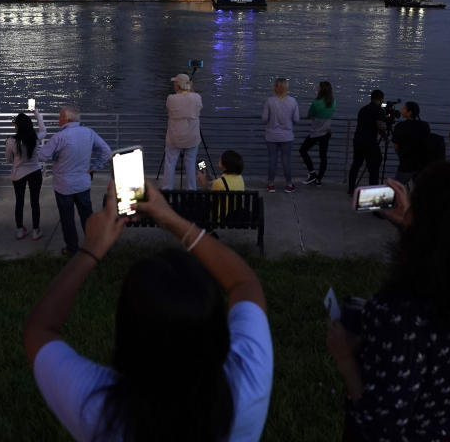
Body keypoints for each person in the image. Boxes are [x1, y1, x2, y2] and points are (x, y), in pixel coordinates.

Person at [24, 181, 273, 441]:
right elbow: (244, 283)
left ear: (125, 338)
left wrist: (91, 249)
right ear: (219, 333)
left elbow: (38, 329)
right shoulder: (249, 380)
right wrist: (173, 220)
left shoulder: (98, 409)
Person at [327, 162, 450, 441]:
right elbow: (446, 255)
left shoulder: (400, 312)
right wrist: (410, 227)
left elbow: (382, 425)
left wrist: (345, 359)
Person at [36, 106, 111, 256]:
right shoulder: (89, 132)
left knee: (67, 219)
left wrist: (36, 145)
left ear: (67, 119)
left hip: (63, 186)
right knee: (87, 217)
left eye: (60, 117)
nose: (58, 119)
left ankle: (72, 249)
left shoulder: (59, 137)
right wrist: (94, 167)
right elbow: (106, 152)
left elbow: (42, 156)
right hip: (83, 184)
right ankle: (93, 246)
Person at [5, 107, 47, 240]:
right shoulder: (35, 138)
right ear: (29, 125)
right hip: (35, 172)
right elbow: (43, 130)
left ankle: (20, 230)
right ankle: (36, 230)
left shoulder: (11, 141)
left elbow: (9, 159)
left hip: (18, 174)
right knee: (35, 202)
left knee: (19, 201)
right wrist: (36, 112)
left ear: (16, 126)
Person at [162, 73, 203, 190]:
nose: (174, 86)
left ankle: (167, 188)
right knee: (191, 163)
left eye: (175, 83)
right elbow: (198, 104)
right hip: (192, 137)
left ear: (178, 86)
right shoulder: (196, 98)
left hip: (174, 137)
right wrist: (191, 88)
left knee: (170, 163)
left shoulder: (171, 99)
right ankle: (191, 188)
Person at [261, 77, 299, 193]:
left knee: (272, 160)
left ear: (276, 88)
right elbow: (296, 119)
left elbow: (264, 119)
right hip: (287, 136)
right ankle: (289, 184)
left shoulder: (269, 101)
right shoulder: (293, 101)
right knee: (286, 160)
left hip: (271, 136)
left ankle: (271, 184)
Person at [348, 90, 388, 194]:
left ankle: (351, 189)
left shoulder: (363, 109)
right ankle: (373, 191)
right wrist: (385, 137)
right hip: (370, 142)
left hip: (358, 140)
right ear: (381, 99)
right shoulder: (379, 110)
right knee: (374, 167)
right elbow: (380, 126)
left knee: (356, 165)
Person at [299, 81, 336, 186]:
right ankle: (319, 179)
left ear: (321, 89)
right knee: (323, 156)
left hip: (316, 132)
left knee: (303, 150)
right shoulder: (333, 102)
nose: (317, 87)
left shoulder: (316, 103)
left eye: (318, 86)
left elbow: (310, 115)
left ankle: (312, 173)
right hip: (326, 132)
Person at [390, 101, 431, 185]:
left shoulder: (400, 126)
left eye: (404, 108)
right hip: (422, 164)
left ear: (409, 112)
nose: (401, 110)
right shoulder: (425, 125)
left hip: (406, 164)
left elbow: (396, 146)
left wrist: (401, 154)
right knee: (419, 189)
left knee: (397, 187)